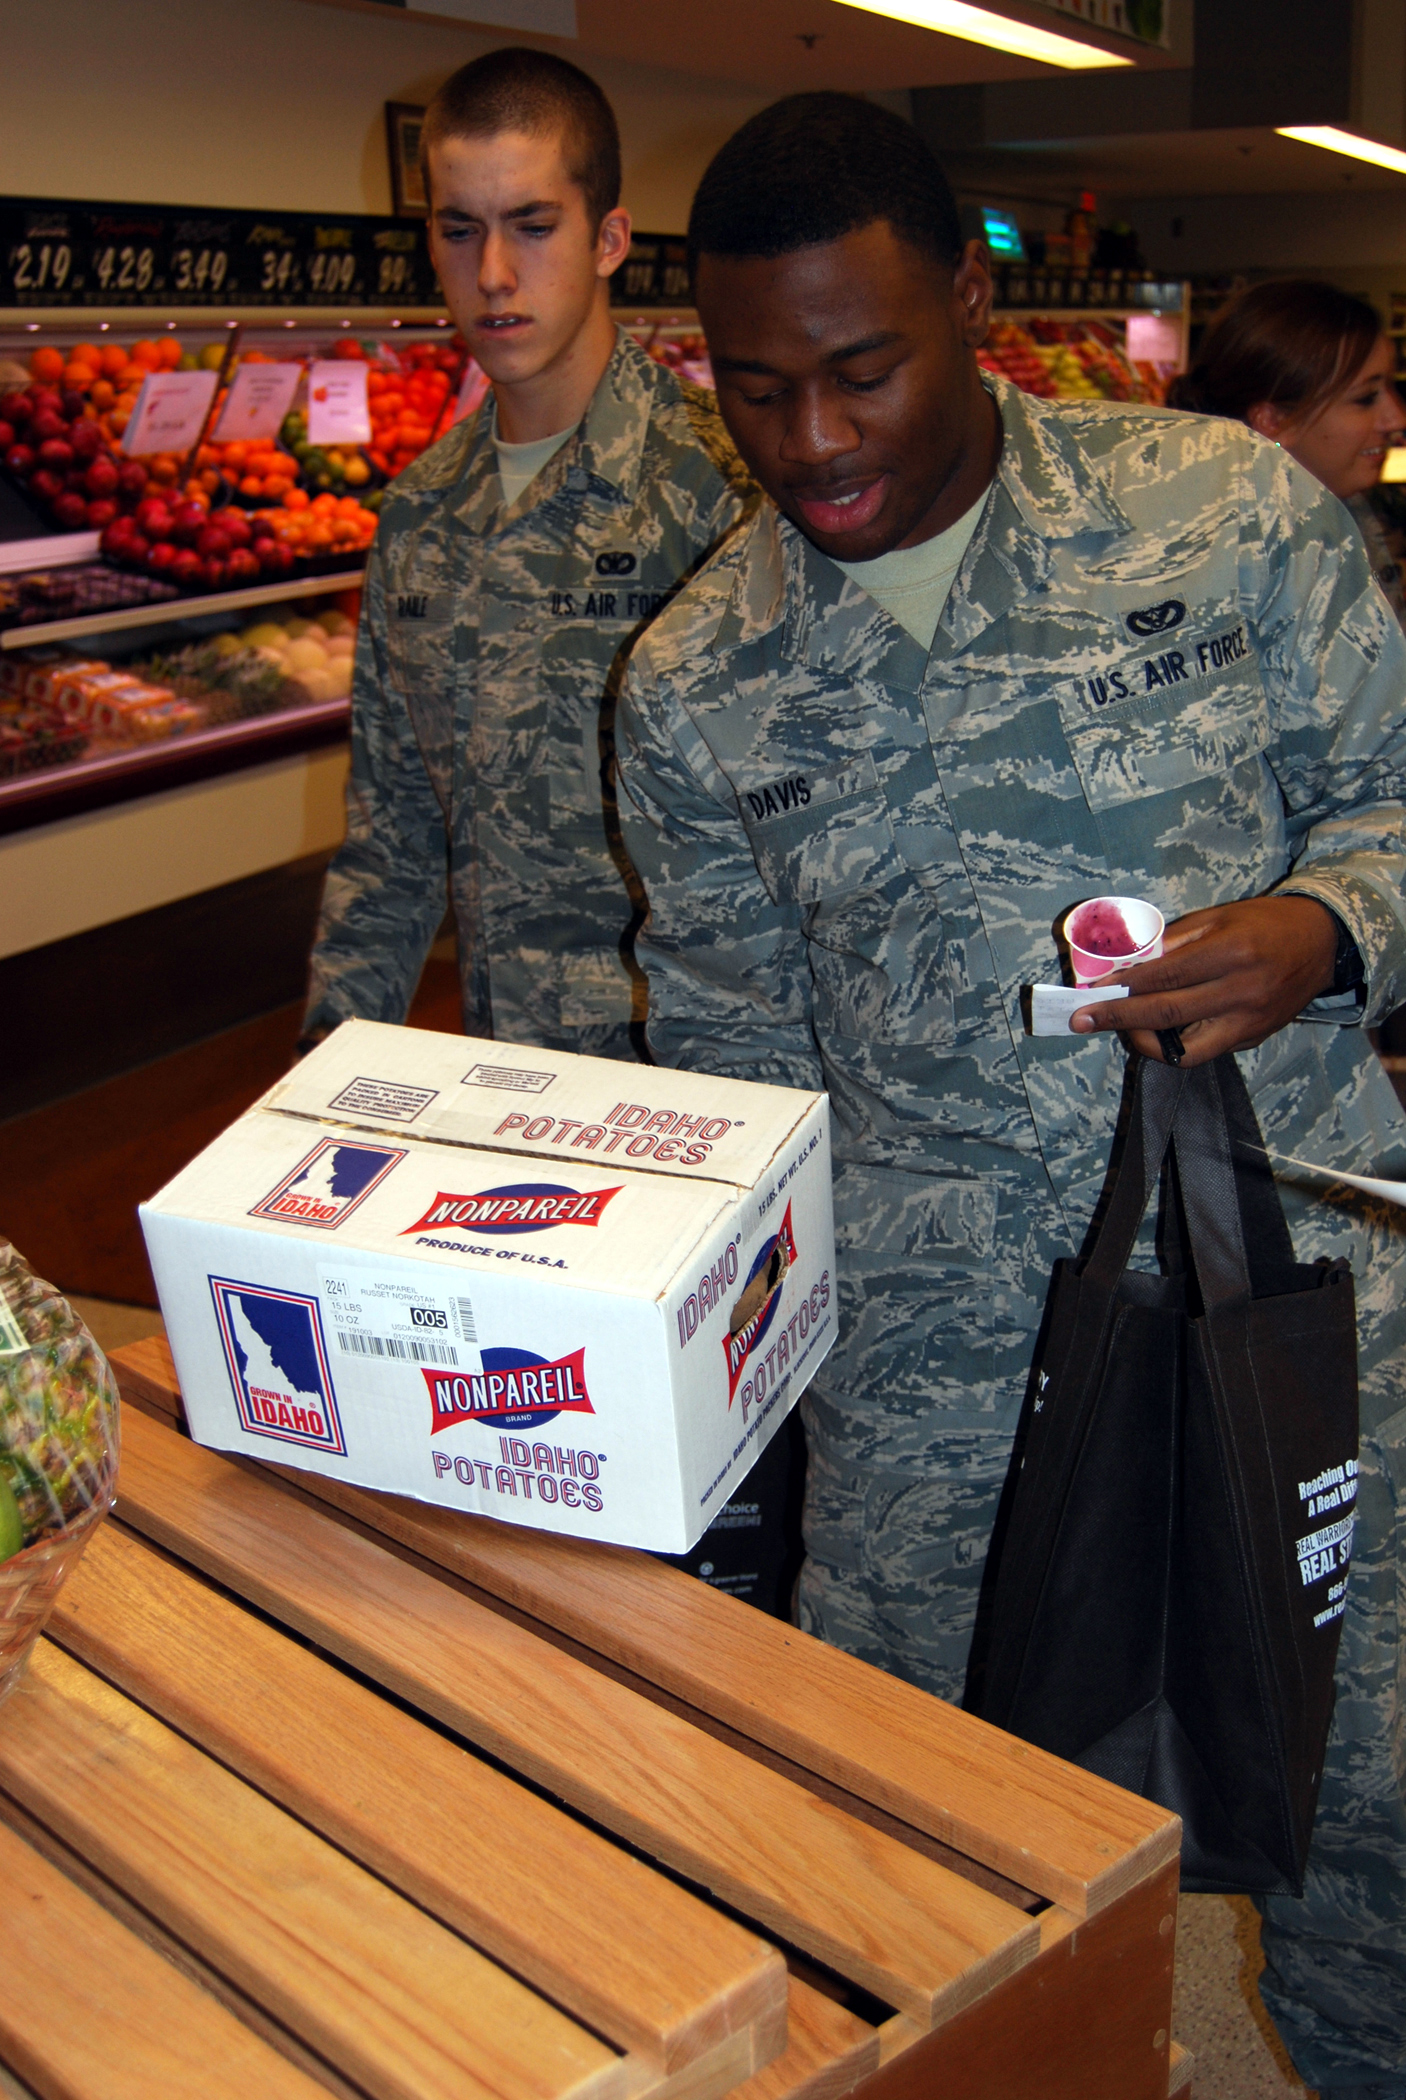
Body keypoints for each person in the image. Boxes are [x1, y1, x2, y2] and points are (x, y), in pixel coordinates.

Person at [614, 93, 1406, 2099]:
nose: (811, 444)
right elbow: (733, 1083)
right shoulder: (698, 681)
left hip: (1296, 1292)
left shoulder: (1215, 513)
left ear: (969, 300)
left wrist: (1325, 923)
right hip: (938, 1376)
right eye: (756, 387)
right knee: (940, 1870)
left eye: (861, 370)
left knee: (1366, 1808)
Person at [301, 47, 752, 1060]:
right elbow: (393, 839)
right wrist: (322, 1076)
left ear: (608, 238)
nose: (493, 274)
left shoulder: (720, 489)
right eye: (460, 231)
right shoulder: (421, 515)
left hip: (690, 1072)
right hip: (505, 1065)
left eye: (532, 226)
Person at [1168, 279, 1406, 623]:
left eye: (1391, 388)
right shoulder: (1228, 562)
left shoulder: (1343, 516)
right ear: (1273, 421)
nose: (1397, 417)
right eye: (1365, 399)